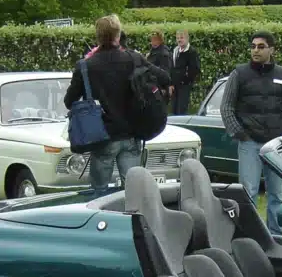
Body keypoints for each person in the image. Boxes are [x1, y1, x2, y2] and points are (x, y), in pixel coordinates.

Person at [64, 14, 170, 196]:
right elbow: (165, 78)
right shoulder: (134, 59)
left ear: (97, 37)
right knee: (134, 194)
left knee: (98, 194)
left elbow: (69, 101)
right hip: (132, 134)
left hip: (103, 137)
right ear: (118, 36)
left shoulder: (86, 66)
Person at [219, 31, 282, 236]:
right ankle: (250, 236)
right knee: (248, 192)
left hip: (275, 145)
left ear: (271, 49)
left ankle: (277, 235)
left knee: (277, 194)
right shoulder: (240, 73)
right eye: (253, 46)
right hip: (250, 142)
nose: (255, 50)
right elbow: (226, 108)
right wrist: (240, 133)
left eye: (261, 46)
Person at [170, 29, 200, 115]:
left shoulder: (192, 52)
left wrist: (185, 80)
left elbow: (194, 69)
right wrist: (171, 83)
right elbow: (172, 67)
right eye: (178, 38)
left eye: (182, 38)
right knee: (173, 109)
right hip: (174, 86)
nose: (179, 40)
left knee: (181, 109)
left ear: (187, 39)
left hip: (185, 85)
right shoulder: (175, 51)